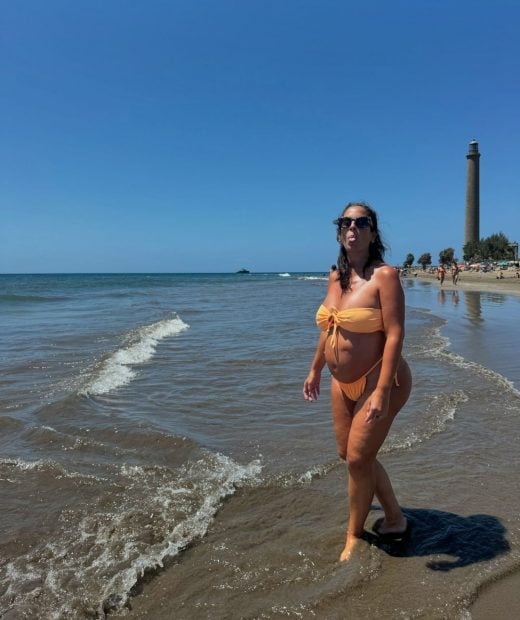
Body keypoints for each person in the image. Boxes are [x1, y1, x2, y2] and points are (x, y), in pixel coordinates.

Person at [303, 201, 412, 562]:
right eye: (346, 222)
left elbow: (395, 335)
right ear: (339, 231)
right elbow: (329, 327)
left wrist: (381, 391)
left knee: (357, 460)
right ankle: (394, 518)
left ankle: (353, 535)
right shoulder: (337, 276)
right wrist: (316, 368)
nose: (353, 228)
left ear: (373, 232)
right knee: (351, 457)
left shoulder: (385, 275)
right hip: (340, 383)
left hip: (380, 380)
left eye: (361, 222)